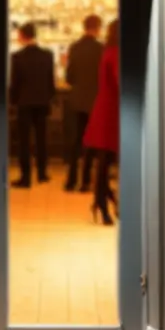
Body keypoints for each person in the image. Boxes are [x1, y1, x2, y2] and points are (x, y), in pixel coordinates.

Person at [9, 22, 56, 189]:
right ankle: (42, 173)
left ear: (22, 36)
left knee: (24, 141)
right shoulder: (47, 55)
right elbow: (51, 80)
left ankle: (26, 177)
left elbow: (15, 83)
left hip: (24, 102)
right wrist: (49, 97)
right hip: (42, 101)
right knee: (42, 139)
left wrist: (13, 100)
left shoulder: (17, 57)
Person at [84, 18, 120, 225]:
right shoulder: (117, 54)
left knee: (104, 161)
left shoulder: (108, 51)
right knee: (106, 161)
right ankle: (103, 203)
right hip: (112, 112)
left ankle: (103, 200)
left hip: (104, 109)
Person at [64, 15, 103, 193]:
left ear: (84, 26)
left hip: (76, 100)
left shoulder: (74, 47)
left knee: (75, 141)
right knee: (91, 141)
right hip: (95, 101)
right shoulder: (101, 49)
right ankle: (85, 181)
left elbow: (69, 77)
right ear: (98, 28)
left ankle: (71, 180)